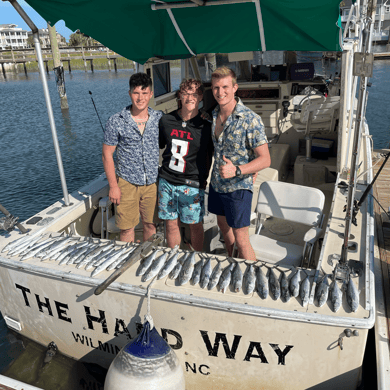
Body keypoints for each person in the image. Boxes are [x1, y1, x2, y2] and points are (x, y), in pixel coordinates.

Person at [208, 66, 271, 260]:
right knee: (223, 228)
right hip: (217, 185)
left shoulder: (250, 119)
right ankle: (232, 263)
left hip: (238, 187)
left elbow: (265, 159)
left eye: (225, 87)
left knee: (241, 238)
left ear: (235, 88)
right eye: (216, 88)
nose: (221, 92)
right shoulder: (212, 115)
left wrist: (237, 170)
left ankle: (251, 276)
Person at [102, 72, 163, 243]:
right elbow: (107, 154)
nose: (140, 98)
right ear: (130, 94)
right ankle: (126, 262)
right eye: (136, 93)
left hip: (152, 182)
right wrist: (113, 186)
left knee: (150, 225)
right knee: (126, 228)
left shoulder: (159, 118)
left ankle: (148, 259)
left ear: (151, 94)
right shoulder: (116, 121)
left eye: (145, 93)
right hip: (126, 182)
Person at [158, 79, 213, 251]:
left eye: (194, 94)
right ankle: (174, 257)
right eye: (186, 93)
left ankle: (195, 258)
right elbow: (159, 145)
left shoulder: (206, 126)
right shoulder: (166, 120)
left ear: (201, 97)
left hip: (192, 184)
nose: (190, 98)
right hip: (167, 181)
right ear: (179, 96)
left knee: (195, 224)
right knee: (171, 223)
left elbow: (210, 156)